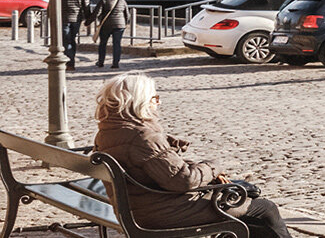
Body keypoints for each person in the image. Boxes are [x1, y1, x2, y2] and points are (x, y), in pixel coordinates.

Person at [92, 74, 293, 238]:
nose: (158, 103)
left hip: (141, 206)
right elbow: (184, 181)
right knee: (265, 209)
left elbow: (156, 169)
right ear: (139, 102)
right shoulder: (142, 136)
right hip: (163, 212)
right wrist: (213, 166)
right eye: (154, 98)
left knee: (245, 207)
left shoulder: (109, 130)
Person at [95, 0, 130, 68]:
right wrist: (125, 23)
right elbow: (127, 15)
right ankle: (115, 63)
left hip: (106, 25)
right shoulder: (122, 2)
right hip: (119, 25)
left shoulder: (103, 1)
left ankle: (100, 62)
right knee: (117, 44)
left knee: (103, 43)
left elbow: (97, 13)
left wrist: (88, 21)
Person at [59, 0, 88, 71]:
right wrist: (88, 20)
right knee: (72, 39)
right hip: (76, 20)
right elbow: (86, 8)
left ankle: (69, 62)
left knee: (66, 41)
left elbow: (52, 7)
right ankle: (71, 62)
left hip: (63, 19)